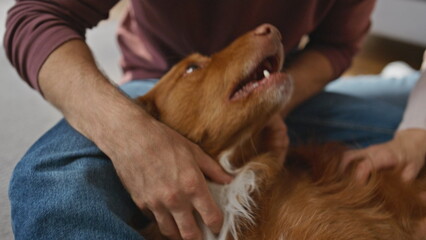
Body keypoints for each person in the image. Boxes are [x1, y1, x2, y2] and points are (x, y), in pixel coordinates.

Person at [4, 0, 425, 239]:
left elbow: (337, 45)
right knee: (53, 176)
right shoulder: (152, 107)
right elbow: (35, 18)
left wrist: (272, 101)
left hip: (282, 86)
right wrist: (130, 135)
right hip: (152, 91)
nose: (268, 27)